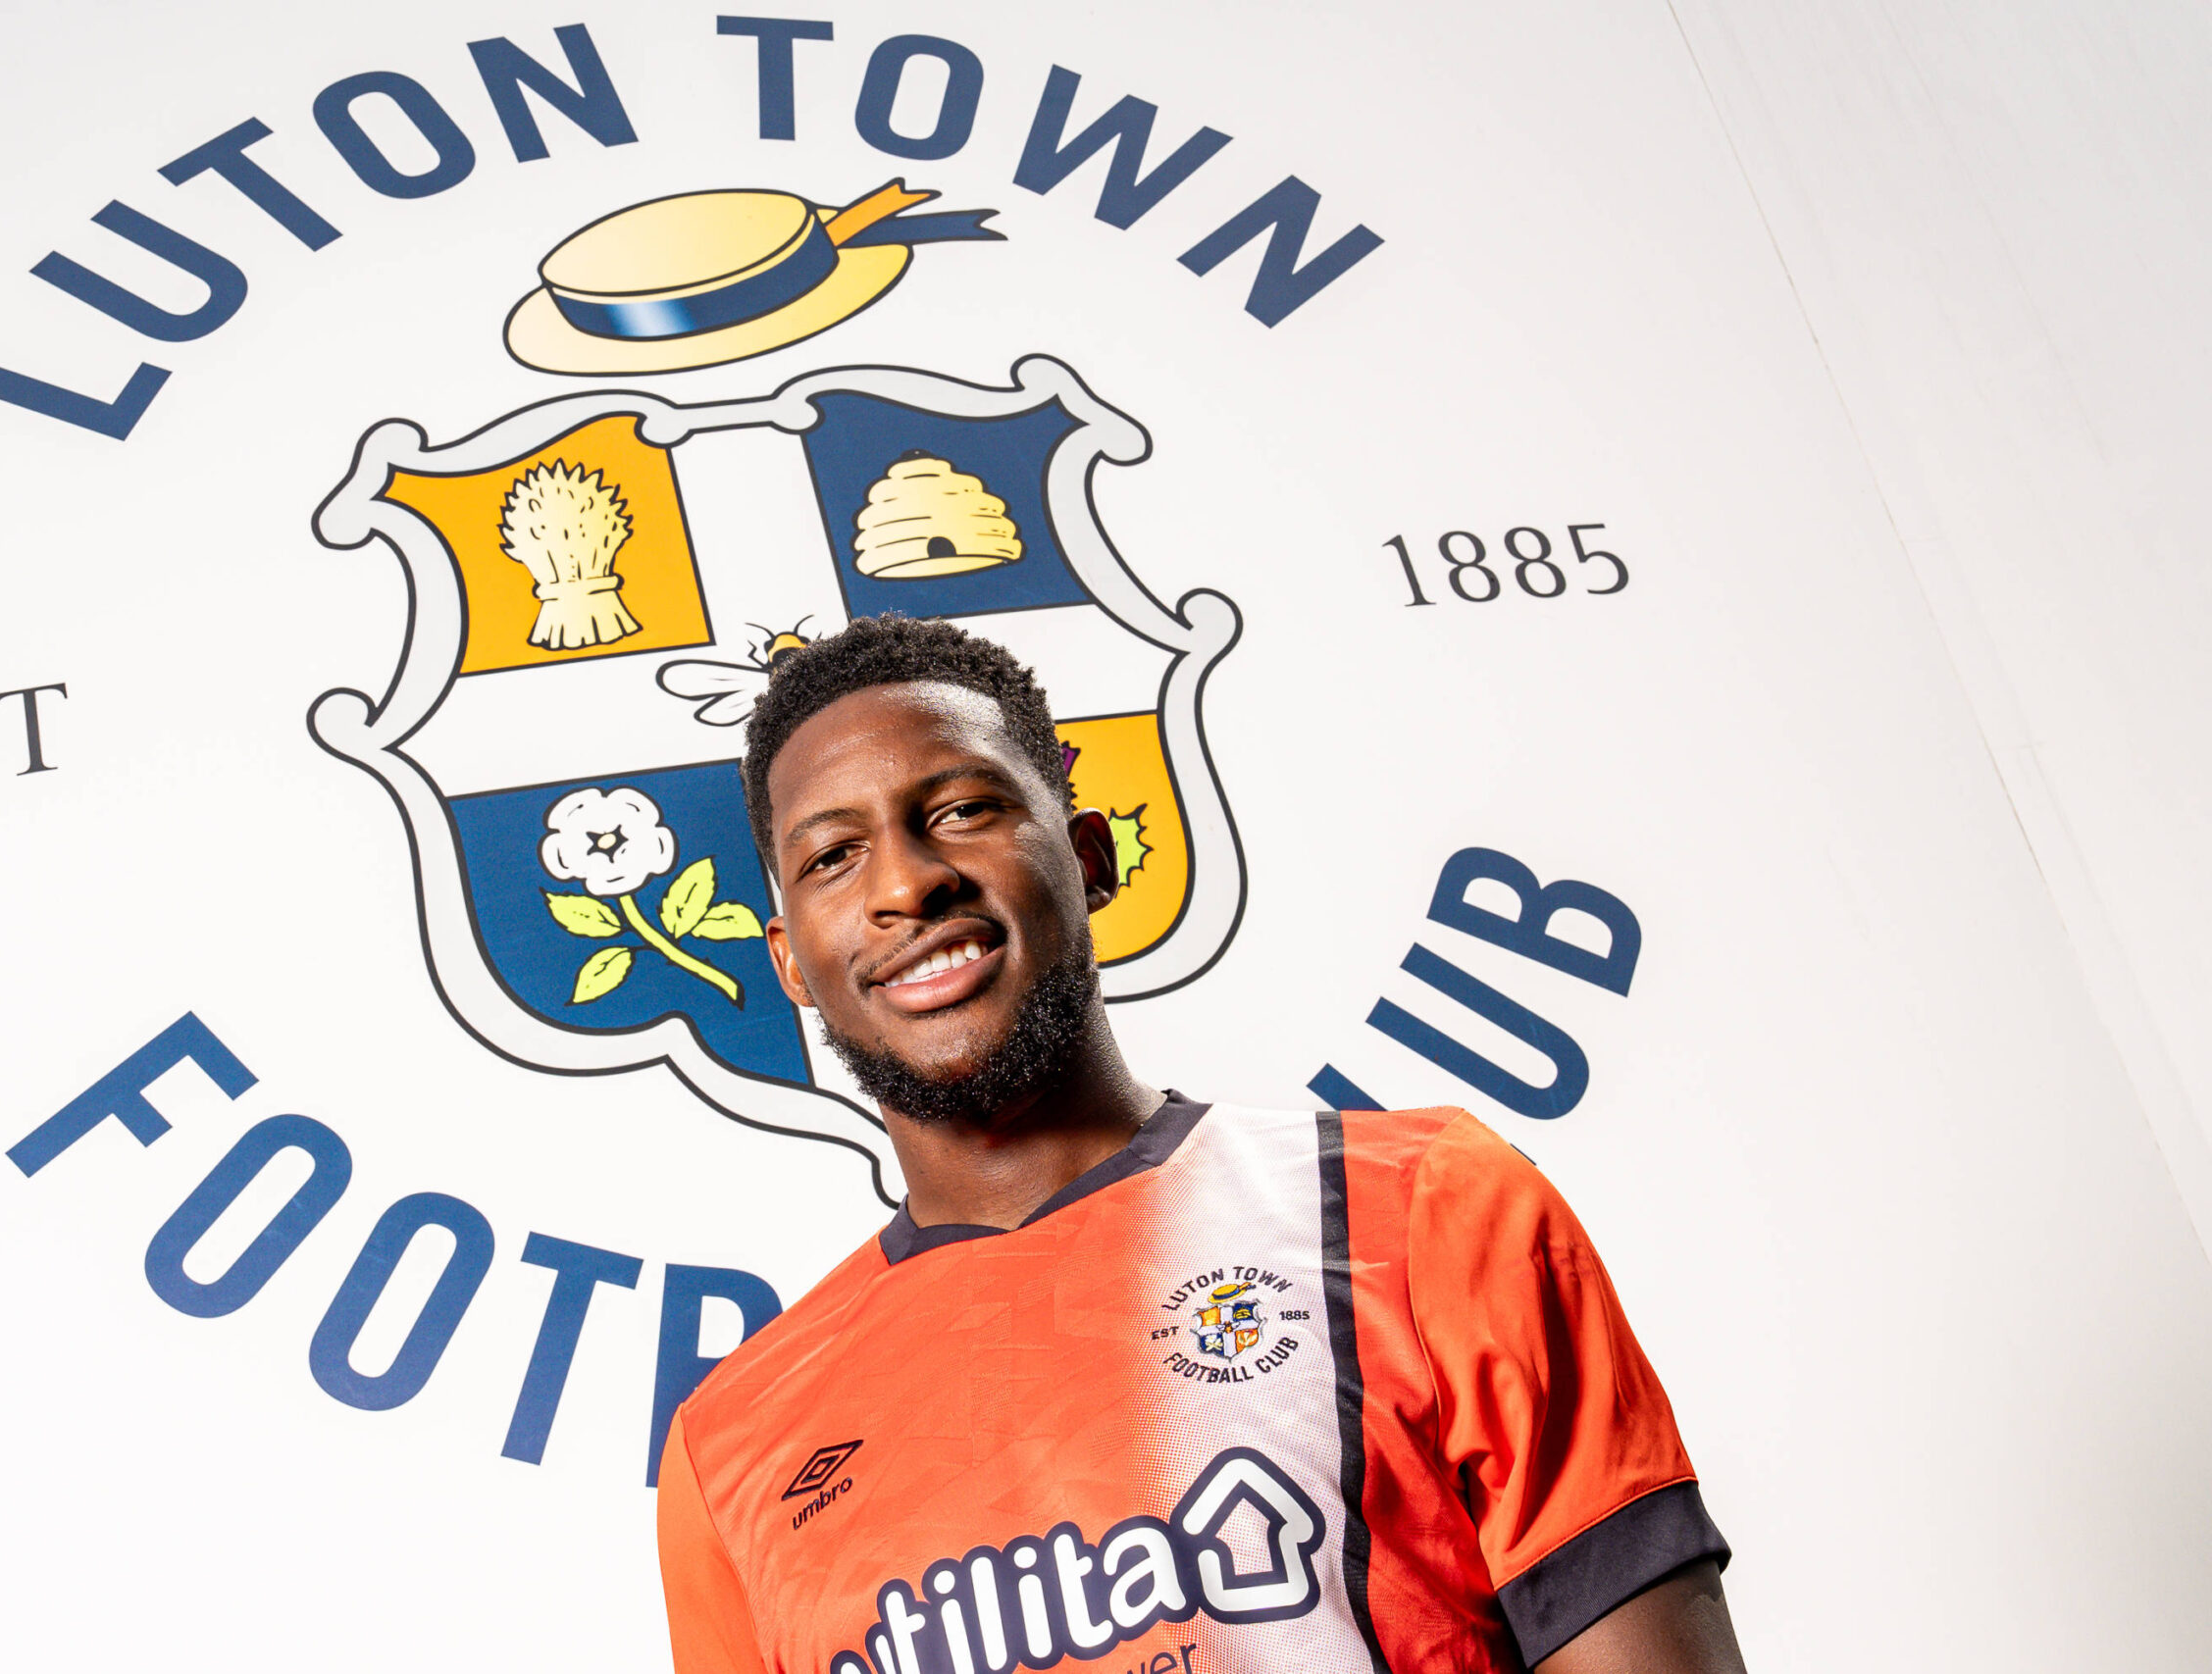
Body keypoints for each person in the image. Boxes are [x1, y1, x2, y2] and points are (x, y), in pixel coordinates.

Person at [656, 616, 1746, 1674]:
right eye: (835, 856)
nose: (903, 884)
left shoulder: (1425, 1208)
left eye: (961, 810)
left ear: (1088, 858)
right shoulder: (730, 1448)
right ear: (792, 963)